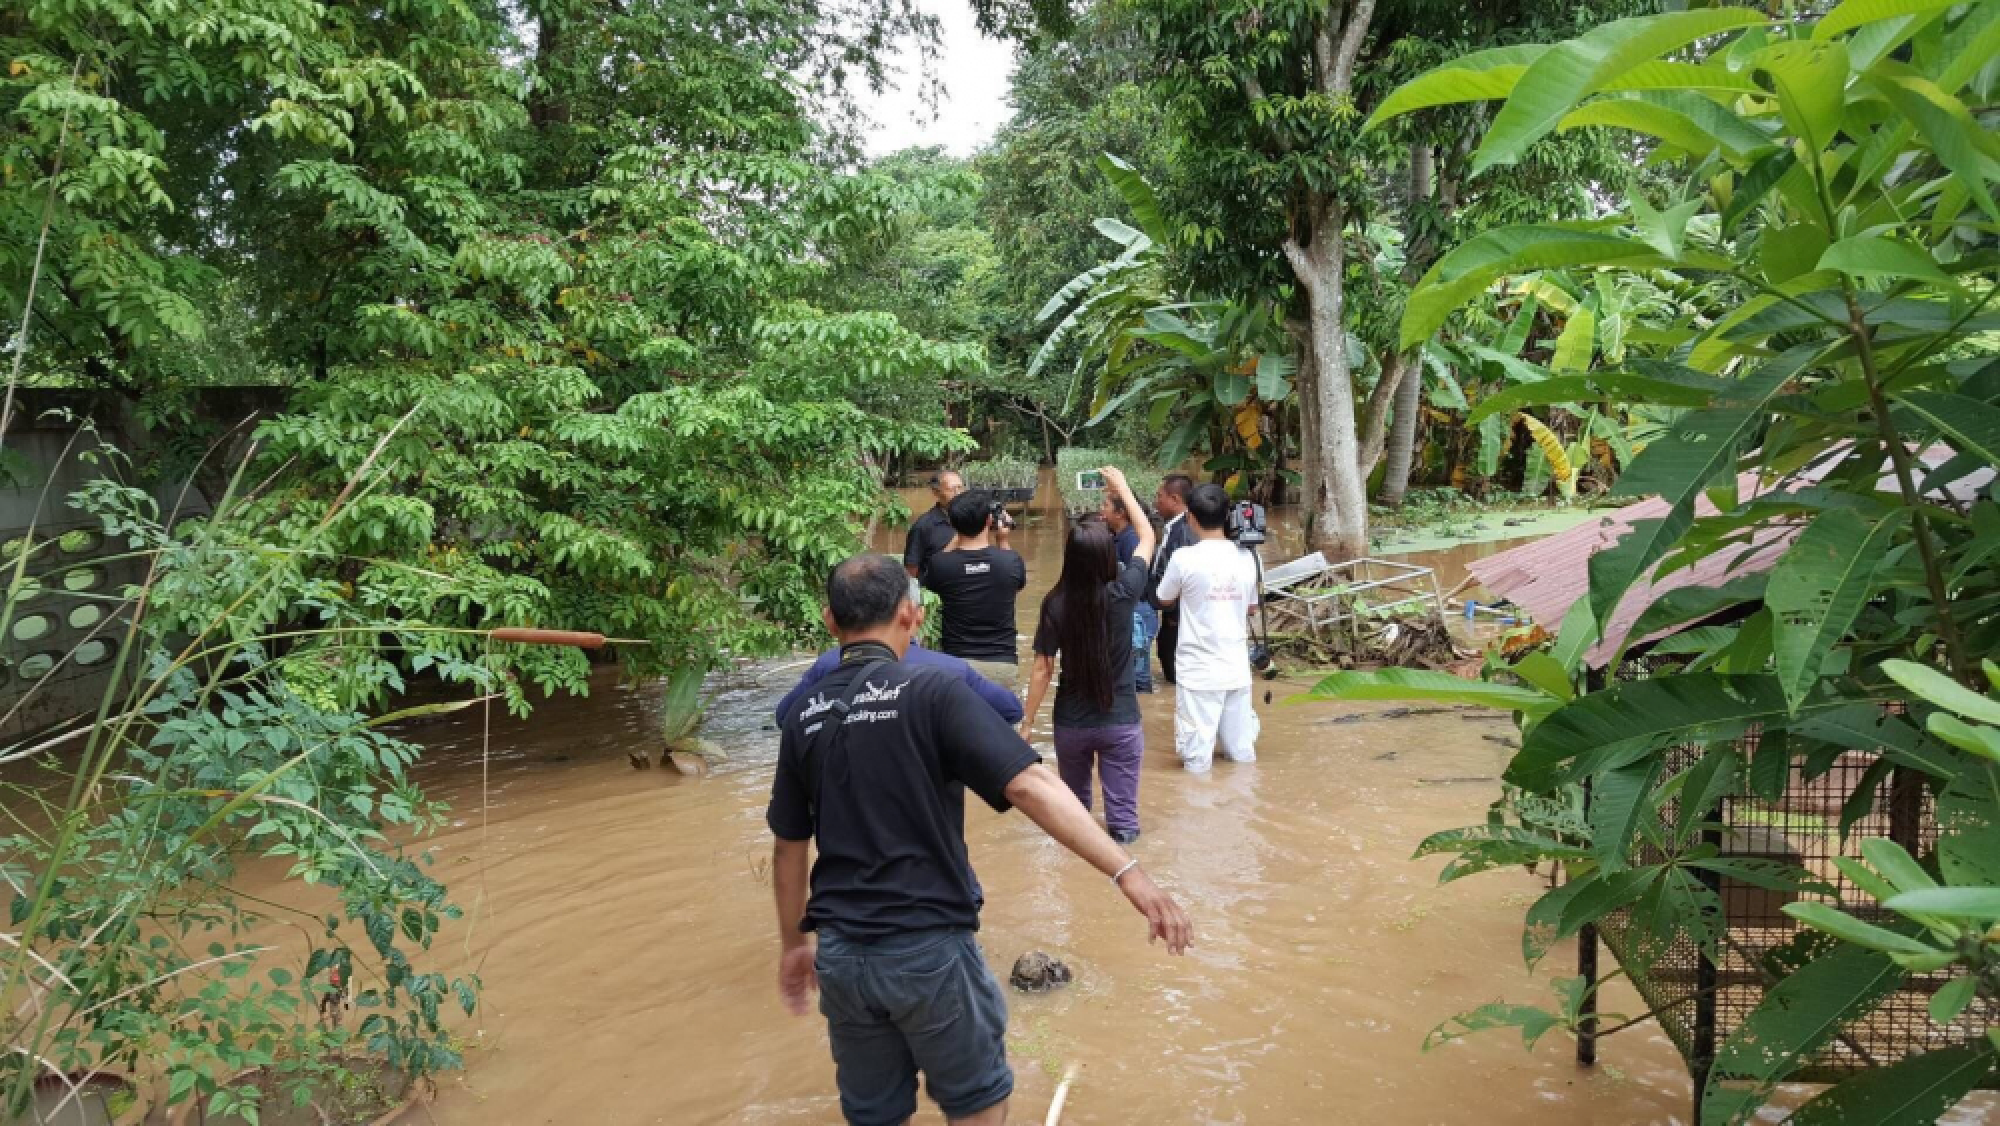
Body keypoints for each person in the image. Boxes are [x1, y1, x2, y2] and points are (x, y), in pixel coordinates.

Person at [768, 554, 1192, 1126]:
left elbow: (788, 848)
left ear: (829, 621)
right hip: (927, 950)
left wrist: (794, 945)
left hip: (841, 957)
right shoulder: (934, 689)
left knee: (872, 1115)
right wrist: (1129, 873)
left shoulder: (804, 716)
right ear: (911, 616)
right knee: (978, 1102)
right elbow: (1029, 785)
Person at [1020, 467, 1156, 843]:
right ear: (1108, 556)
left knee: (1075, 814)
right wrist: (1124, 489)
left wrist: (1028, 723)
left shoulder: (1055, 604)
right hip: (1120, 720)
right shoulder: (1123, 594)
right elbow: (1146, 535)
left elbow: (1042, 669)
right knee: (1124, 821)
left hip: (1071, 725)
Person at [1155, 483, 1260, 773]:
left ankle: (1198, 812)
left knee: (1197, 758)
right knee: (1241, 752)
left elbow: (1164, 597)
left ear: (1190, 516)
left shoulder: (1184, 558)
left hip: (1198, 670)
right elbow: (1252, 606)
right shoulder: (1248, 557)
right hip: (1236, 667)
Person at [777, 640, 1022, 726]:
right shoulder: (950, 668)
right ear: (912, 616)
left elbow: (785, 717)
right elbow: (1010, 710)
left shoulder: (827, 664)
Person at [921, 489, 1027, 687]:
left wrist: (956, 537)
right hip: (1001, 663)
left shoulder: (941, 564)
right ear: (989, 521)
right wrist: (1003, 541)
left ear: (952, 524)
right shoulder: (1010, 561)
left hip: (957, 664)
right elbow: (1016, 584)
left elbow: (928, 582)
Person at [1099, 489, 1154, 693]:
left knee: (1137, 673)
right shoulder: (1120, 537)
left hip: (1137, 609)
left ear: (1121, 513)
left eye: (1105, 505)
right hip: (1133, 608)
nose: (1101, 510)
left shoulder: (1130, 540)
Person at [1148, 474, 1196, 684]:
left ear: (1175, 499)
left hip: (1177, 616)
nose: (1156, 501)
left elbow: (1184, 577)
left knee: (1177, 670)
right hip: (1172, 614)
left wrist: (1172, 612)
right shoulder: (1174, 527)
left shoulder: (1184, 531)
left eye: (1160, 496)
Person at [903, 470, 964, 579]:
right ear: (936, 492)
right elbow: (911, 570)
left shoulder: (971, 519)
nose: (958, 493)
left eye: (960, 488)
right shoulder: (923, 526)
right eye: (952, 489)